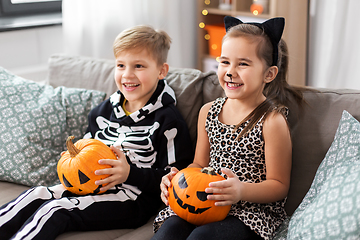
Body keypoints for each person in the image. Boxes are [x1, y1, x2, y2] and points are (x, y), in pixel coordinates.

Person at [0, 25, 193, 240]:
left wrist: (130, 173)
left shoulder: (168, 120)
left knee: (55, 210)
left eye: (138, 66)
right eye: (121, 65)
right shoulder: (103, 111)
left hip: (132, 199)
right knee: (36, 194)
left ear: (161, 71)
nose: (127, 74)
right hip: (90, 185)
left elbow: (177, 176)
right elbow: (86, 148)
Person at [151, 16, 304, 240]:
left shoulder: (272, 121)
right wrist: (177, 178)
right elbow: (199, 165)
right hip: (203, 200)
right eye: (224, 62)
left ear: (269, 74)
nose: (231, 71)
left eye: (243, 63)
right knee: (168, 232)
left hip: (249, 212)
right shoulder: (208, 111)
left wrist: (240, 190)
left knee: (201, 238)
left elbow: (279, 185)